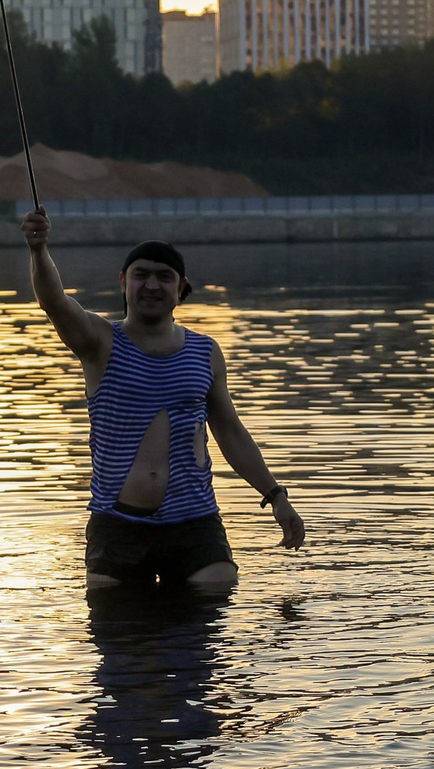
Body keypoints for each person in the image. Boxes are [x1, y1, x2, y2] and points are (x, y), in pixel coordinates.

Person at [22, 211, 306, 592]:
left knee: (215, 608)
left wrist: (276, 496)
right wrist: (39, 250)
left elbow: (231, 432)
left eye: (164, 277)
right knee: (120, 635)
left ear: (181, 287)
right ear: (123, 282)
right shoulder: (99, 342)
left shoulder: (205, 352)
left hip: (194, 524)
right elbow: (54, 301)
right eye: (141, 275)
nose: (151, 285)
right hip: (118, 526)